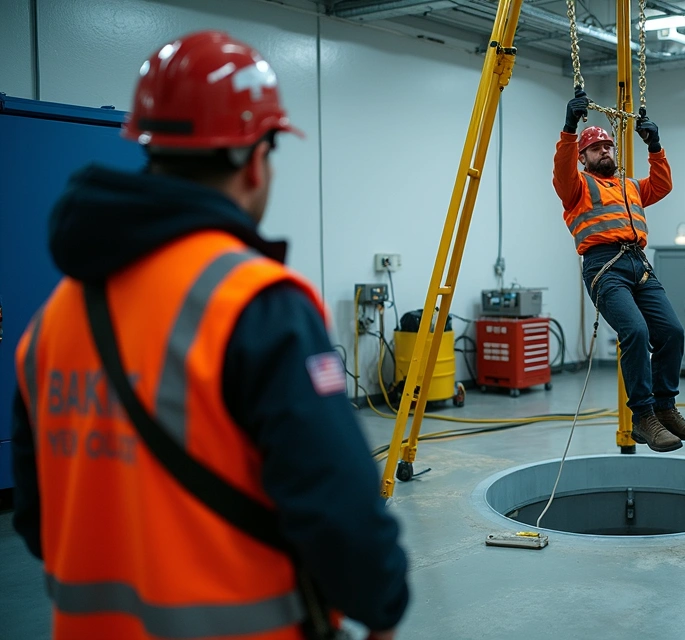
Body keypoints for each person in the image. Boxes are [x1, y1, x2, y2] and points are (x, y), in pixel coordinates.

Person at [11, 31, 408, 640]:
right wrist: (382, 606)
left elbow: (37, 523)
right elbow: (342, 511)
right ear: (255, 158)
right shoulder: (255, 305)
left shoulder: (53, 319)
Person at [553, 89, 685, 452]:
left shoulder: (630, 186)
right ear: (584, 158)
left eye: (607, 146)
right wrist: (570, 129)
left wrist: (655, 146)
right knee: (634, 331)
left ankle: (665, 409)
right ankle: (643, 417)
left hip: (639, 264)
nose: (604, 150)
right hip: (605, 267)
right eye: (595, 148)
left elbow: (663, 185)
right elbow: (561, 170)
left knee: (672, 332)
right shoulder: (577, 187)